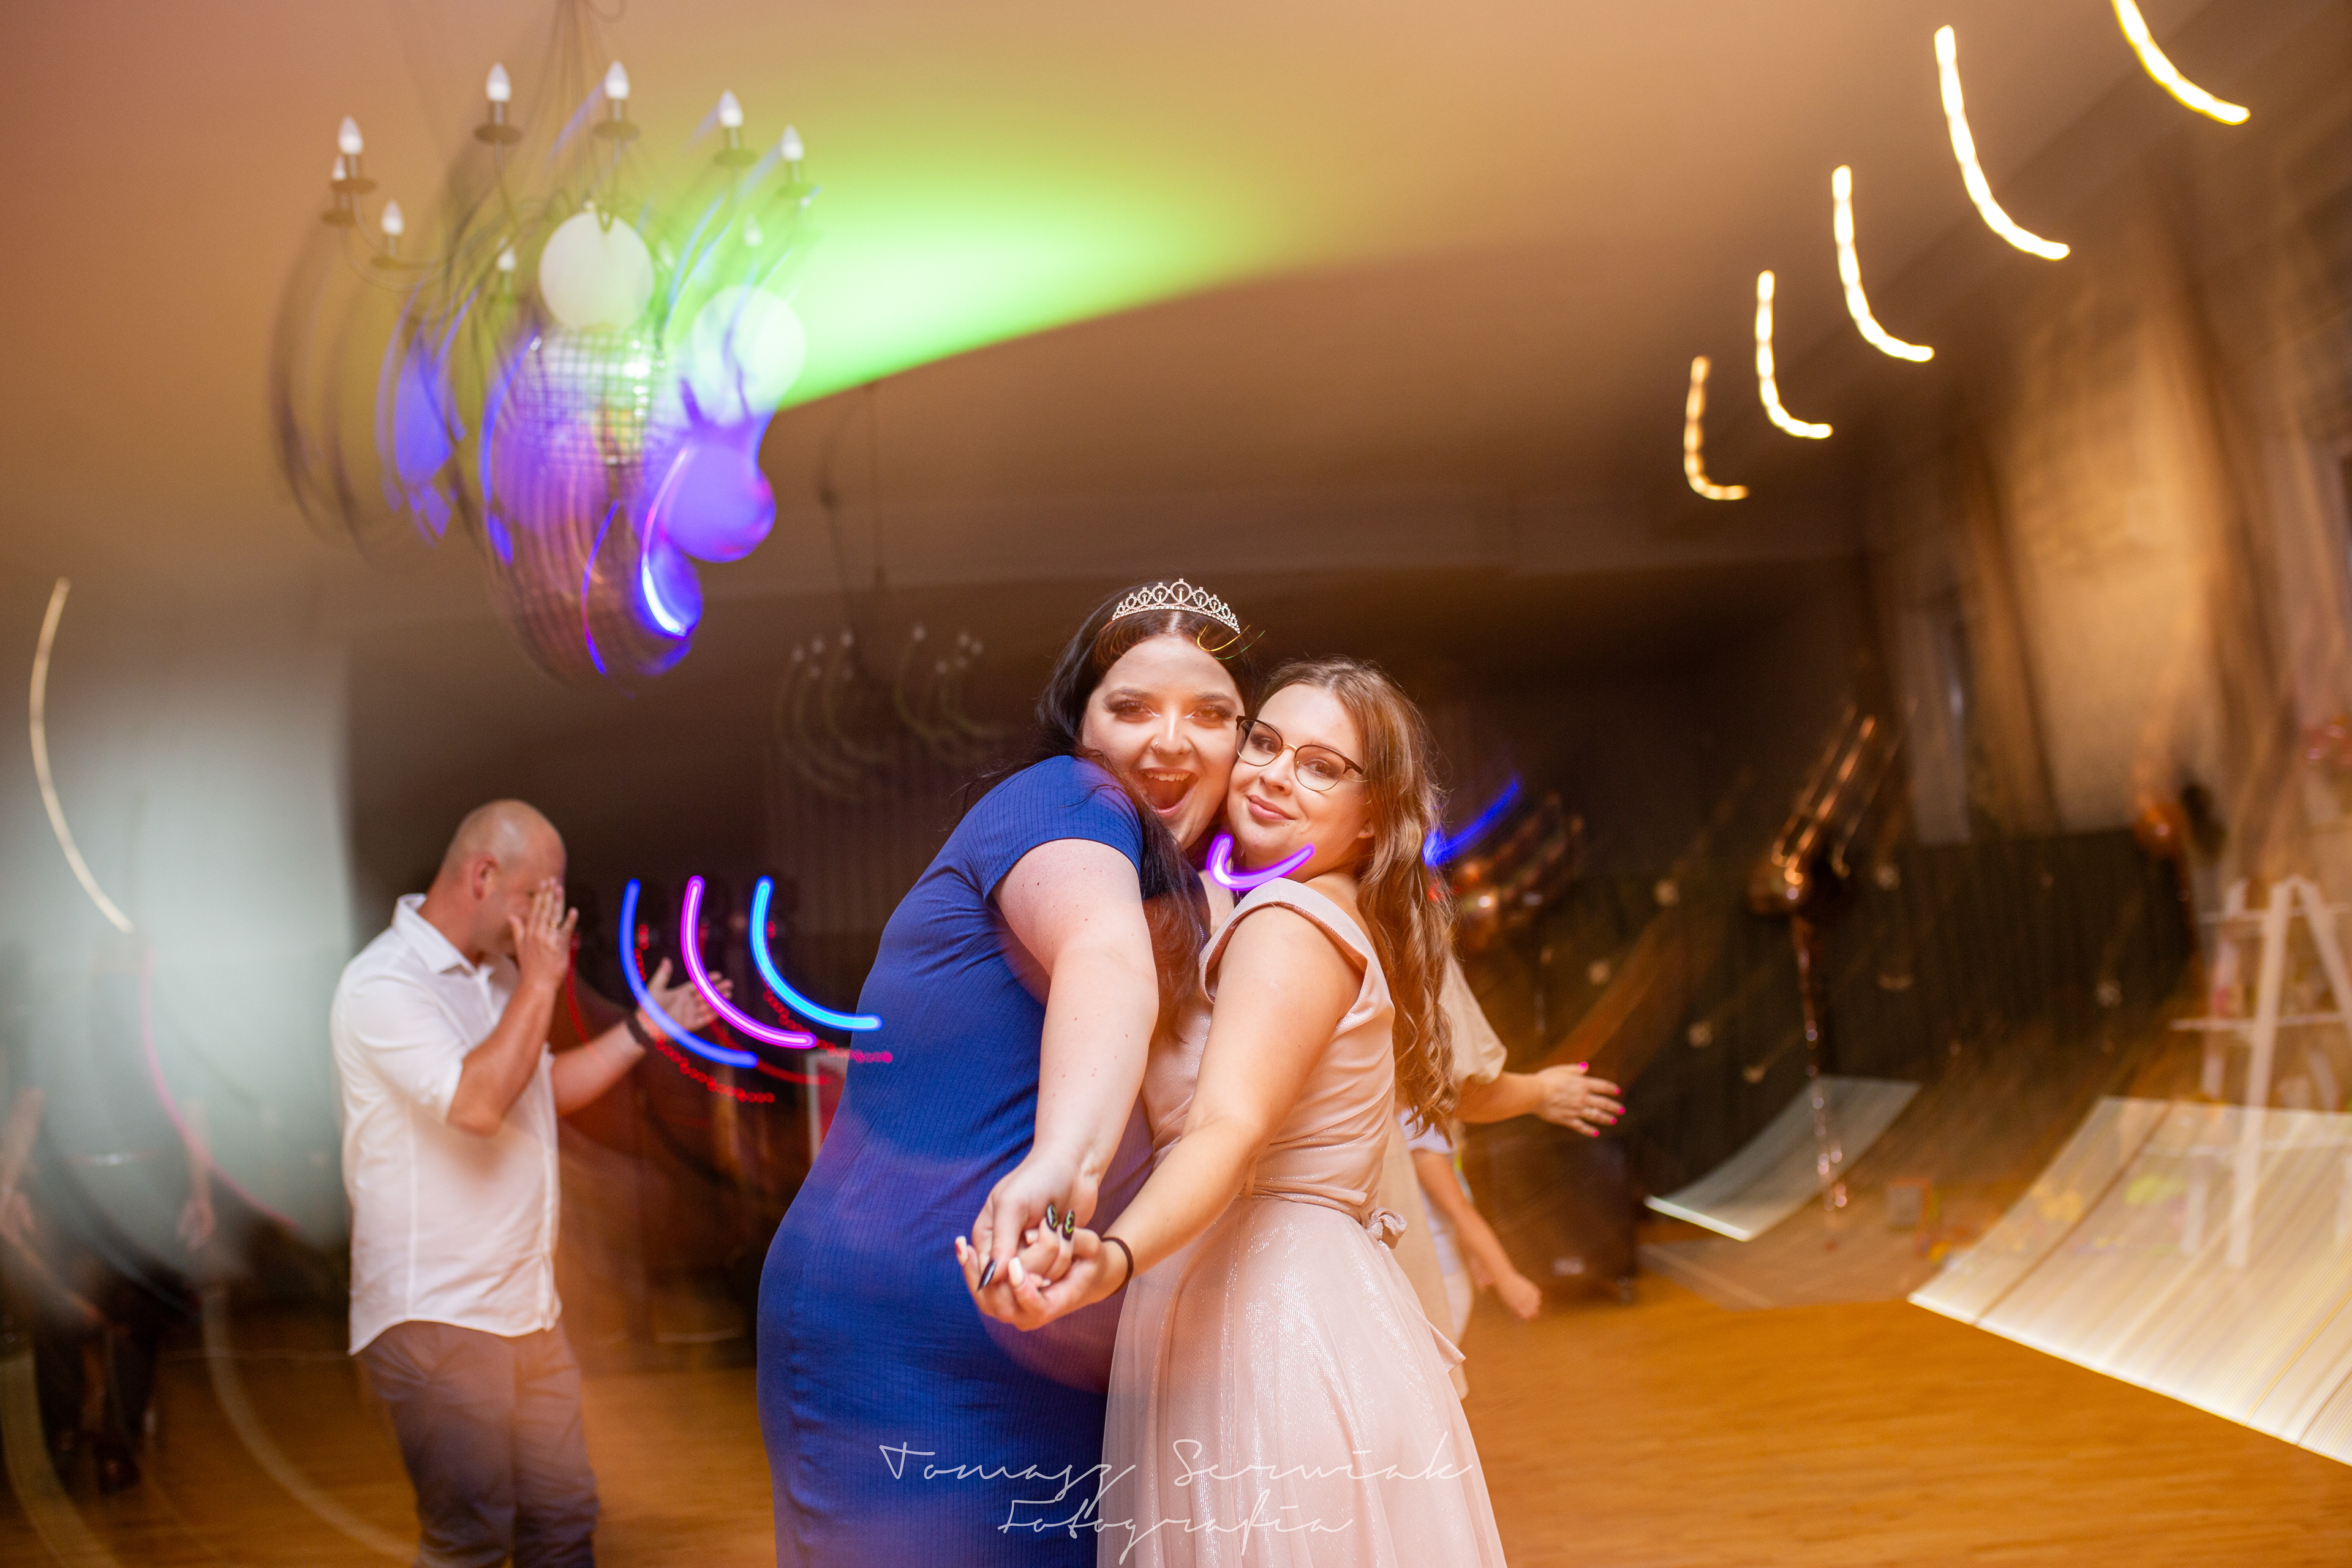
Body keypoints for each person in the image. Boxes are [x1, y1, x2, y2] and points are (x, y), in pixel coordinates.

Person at [972, 655, 1508, 1566]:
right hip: (1293, 1298)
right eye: (1265, 744)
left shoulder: (1289, 919)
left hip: (1272, 1316)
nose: (1272, 775)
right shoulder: (1316, 910)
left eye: (1321, 766)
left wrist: (1113, 1257)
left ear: (1372, 814)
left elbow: (1229, 1126)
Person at [758, 581, 1251, 1567]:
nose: (1171, 742)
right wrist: (1066, 1166)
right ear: (1080, 726)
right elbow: (1101, 958)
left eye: (1210, 714)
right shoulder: (1067, 798)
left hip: (1055, 1325)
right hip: (913, 1330)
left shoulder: (1194, 896)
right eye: (1132, 707)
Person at [330, 800, 718, 1568]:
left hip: (528, 1312)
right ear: (483, 876)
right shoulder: (384, 984)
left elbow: (538, 1090)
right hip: (439, 1317)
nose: (552, 918)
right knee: (471, 1541)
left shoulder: (501, 975)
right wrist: (542, 982)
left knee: (564, 1524)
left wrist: (644, 1030)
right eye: (540, 896)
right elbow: (477, 1106)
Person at [1401, 1109, 1543, 1336]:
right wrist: (1507, 1278)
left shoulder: (1419, 1120)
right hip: (1438, 1273)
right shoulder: (1416, 1122)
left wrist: (1473, 1255)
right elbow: (1457, 1208)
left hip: (1440, 1268)